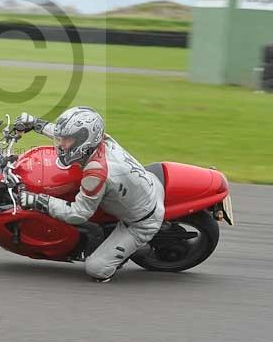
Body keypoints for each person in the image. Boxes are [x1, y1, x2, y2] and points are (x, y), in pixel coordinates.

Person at [13, 106, 165, 282]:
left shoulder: (96, 173)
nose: (61, 144)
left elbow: (78, 214)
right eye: (61, 138)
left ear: (83, 140)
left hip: (142, 220)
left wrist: (38, 201)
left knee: (96, 269)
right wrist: (35, 123)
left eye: (67, 140)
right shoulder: (101, 140)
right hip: (146, 185)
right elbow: (64, 133)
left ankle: (130, 250)